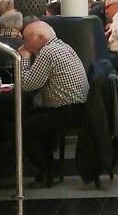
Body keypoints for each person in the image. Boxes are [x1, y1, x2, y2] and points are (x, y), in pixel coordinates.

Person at [17, 19, 89, 184]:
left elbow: (26, 85)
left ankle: (46, 169)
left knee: (24, 127)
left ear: (41, 38)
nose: (25, 45)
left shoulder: (47, 52)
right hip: (80, 107)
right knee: (36, 119)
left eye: (27, 40)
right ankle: (49, 168)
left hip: (67, 111)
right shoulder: (63, 46)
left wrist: (25, 59)